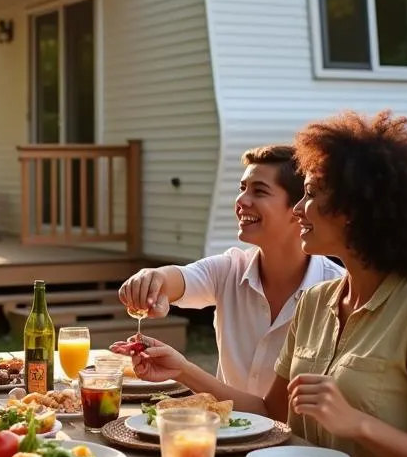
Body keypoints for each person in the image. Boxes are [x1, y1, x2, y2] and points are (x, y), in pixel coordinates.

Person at [133, 112, 407, 457]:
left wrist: (359, 424)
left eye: (312, 194)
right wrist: (181, 368)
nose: (299, 209)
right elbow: (269, 412)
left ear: (356, 208)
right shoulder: (317, 301)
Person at [118, 145, 342, 396]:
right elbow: (178, 278)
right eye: (242, 188)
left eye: (259, 191)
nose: (241, 201)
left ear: (298, 208)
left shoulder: (337, 289)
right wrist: (152, 279)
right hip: (225, 431)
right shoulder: (230, 269)